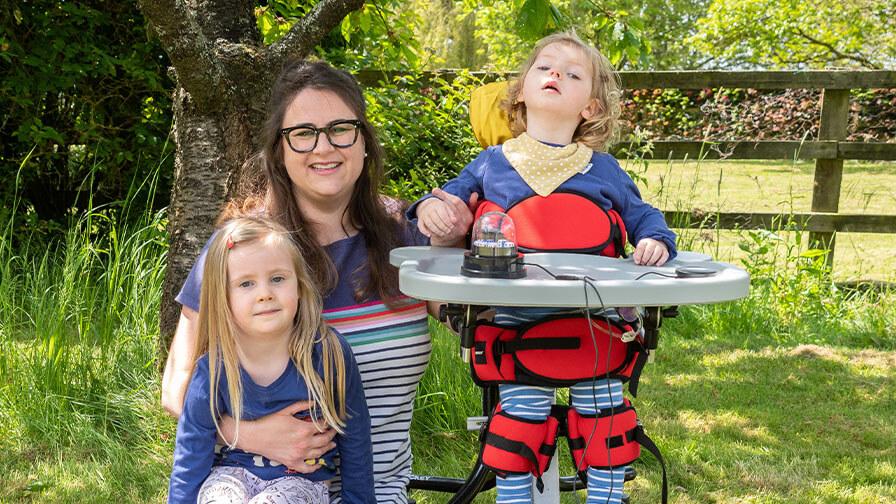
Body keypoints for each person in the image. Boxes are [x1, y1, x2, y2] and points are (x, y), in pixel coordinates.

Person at [162, 60, 474, 503]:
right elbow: (178, 385)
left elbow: (483, 325)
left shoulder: (407, 238)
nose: (323, 147)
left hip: (374, 492)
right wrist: (247, 435)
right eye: (304, 133)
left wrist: (465, 238)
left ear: (364, 141)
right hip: (246, 486)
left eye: (340, 129)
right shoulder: (243, 253)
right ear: (279, 150)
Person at [410, 32, 677, 504]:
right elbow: (449, 199)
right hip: (516, 320)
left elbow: (643, 215)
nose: (556, 75)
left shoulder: (604, 170)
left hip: (595, 321)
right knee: (518, 425)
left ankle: (608, 498)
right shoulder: (492, 164)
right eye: (545, 68)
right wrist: (433, 207)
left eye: (572, 74)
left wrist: (655, 239)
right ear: (521, 92)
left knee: (605, 420)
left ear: (590, 108)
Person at [168, 216, 373, 503]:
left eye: (277, 279)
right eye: (246, 284)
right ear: (222, 298)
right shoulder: (215, 368)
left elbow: (357, 439)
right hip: (231, 475)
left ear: (300, 287)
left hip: (301, 481)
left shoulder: (326, 354)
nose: (264, 294)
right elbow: (190, 457)